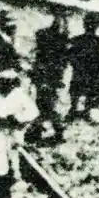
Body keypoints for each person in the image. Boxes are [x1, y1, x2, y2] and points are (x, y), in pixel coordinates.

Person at [0, 68, 38, 198]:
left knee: (8, 159)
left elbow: (33, 113)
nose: (4, 85)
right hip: (0, 131)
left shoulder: (18, 95)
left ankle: (5, 195)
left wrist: (17, 119)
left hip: (11, 131)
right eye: (1, 82)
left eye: (8, 82)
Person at [29, 11, 69, 144]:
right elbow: (63, 62)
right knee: (48, 105)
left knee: (43, 105)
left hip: (42, 76)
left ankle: (45, 131)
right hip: (51, 77)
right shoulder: (61, 40)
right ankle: (56, 131)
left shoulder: (42, 35)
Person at [67, 12, 99, 120]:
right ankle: (81, 111)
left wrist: (76, 65)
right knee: (87, 90)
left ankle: (75, 110)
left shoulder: (77, 40)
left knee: (77, 90)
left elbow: (70, 55)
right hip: (89, 71)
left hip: (81, 70)